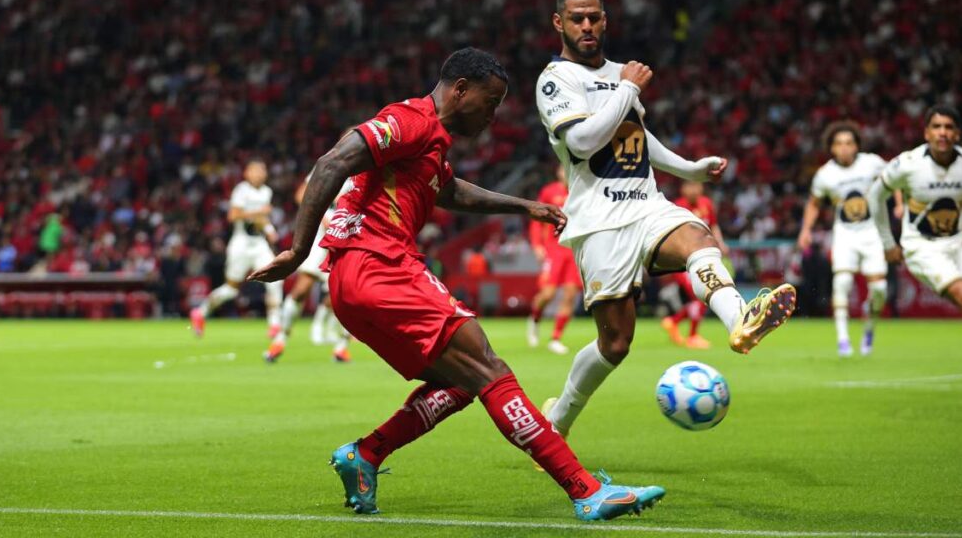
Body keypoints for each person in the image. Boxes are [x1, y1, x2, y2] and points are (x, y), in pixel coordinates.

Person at [248, 48, 664, 520]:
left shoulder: (431, 141)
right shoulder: (411, 120)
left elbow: (448, 190)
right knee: (489, 367)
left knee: (463, 383)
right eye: (490, 102)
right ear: (460, 89)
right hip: (379, 265)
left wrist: (523, 206)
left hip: (353, 282)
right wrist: (298, 250)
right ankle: (585, 490)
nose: (492, 115)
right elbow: (332, 162)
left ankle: (366, 454)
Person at [535, 0, 796, 438]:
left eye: (594, 16)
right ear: (559, 23)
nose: (587, 25)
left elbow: (634, 135)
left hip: (648, 204)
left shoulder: (620, 73)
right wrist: (626, 90)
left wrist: (690, 170)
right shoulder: (556, 80)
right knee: (614, 344)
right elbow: (581, 142)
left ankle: (740, 319)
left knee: (698, 238)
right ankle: (557, 424)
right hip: (599, 224)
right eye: (577, 18)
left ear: (605, 19)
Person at [869, 105, 962, 389]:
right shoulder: (907, 164)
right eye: (937, 127)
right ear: (926, 133)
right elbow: (875, 196)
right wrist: (888, 243)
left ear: (957, 133)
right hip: (922, 248)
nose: (943, 133)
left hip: (958, 242)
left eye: (948, 127)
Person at [798, 121, 898, 357]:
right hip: (844, 234)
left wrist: (900, 205)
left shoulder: (871, 163)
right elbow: (814, 203)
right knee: (842, 283)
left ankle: (869, 329)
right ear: (831, 148)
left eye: (849, 143)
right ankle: (843, 340)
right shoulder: (825, 174)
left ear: (856, 146)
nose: (844, 148)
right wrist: (805, 230)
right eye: (839, 144)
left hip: (872, 232)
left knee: (880, 289)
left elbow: (895, 180)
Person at [263, 174, 355, 364]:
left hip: (351, 235)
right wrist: (321, 214)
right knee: (300, 290)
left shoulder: (369, 166)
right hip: (322, 235)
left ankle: (341, 348)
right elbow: (301, 194)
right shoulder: (333, 161)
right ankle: (280, 340)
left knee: (349, 295)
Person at [190, 160, 283, 338]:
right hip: (241, 243)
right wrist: (258, 212)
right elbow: (233, 215)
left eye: (262, 171)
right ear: (247, 173)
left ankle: (275, 324)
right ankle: (200, 313)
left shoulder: (266, 191)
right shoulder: (241, 190)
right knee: (231, 289)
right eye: (255, 171)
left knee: (276, 280)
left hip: (259, 244)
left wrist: (270, 230)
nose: (259, 174)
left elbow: (261, 219)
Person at [660, 180, 728, 350]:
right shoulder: (678, 207)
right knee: (702, 295)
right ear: (683, 188)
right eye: (689, 185)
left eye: (696, 185)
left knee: (701, 296)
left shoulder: (707, 204)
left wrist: (720, 243)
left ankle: (673, 321)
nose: (693, 189)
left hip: (702, 258)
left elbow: (713, 225)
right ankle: (692, 336)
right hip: (683, 262)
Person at [527, 165, 581, 355]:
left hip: (573, 250)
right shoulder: (549, 192)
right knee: (548, 294)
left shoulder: (581, 191)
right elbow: (536, 219)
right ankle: (535, 320)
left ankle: (556, 338)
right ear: (558, 173)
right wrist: (537, 245)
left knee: (570, 295)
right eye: (562, 171)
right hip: (553, 250)